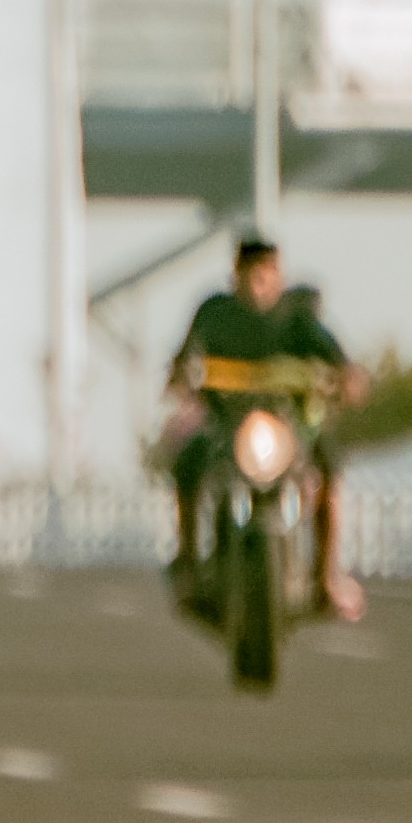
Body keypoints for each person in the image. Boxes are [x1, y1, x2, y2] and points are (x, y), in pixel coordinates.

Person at [166, 235, 367, 621]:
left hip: (289, 429)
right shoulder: (215, 313)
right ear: (236, 276)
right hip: (229, 427)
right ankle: (188, 562)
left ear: (279, 277)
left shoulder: (298, 317)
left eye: (268, 276)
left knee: (330, 470)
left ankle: (326, 574)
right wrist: (178, 376)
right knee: (188, 463)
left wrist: (349, 379)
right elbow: (185, 355)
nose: (260, 286)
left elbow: (338, 359)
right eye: (251, 277)